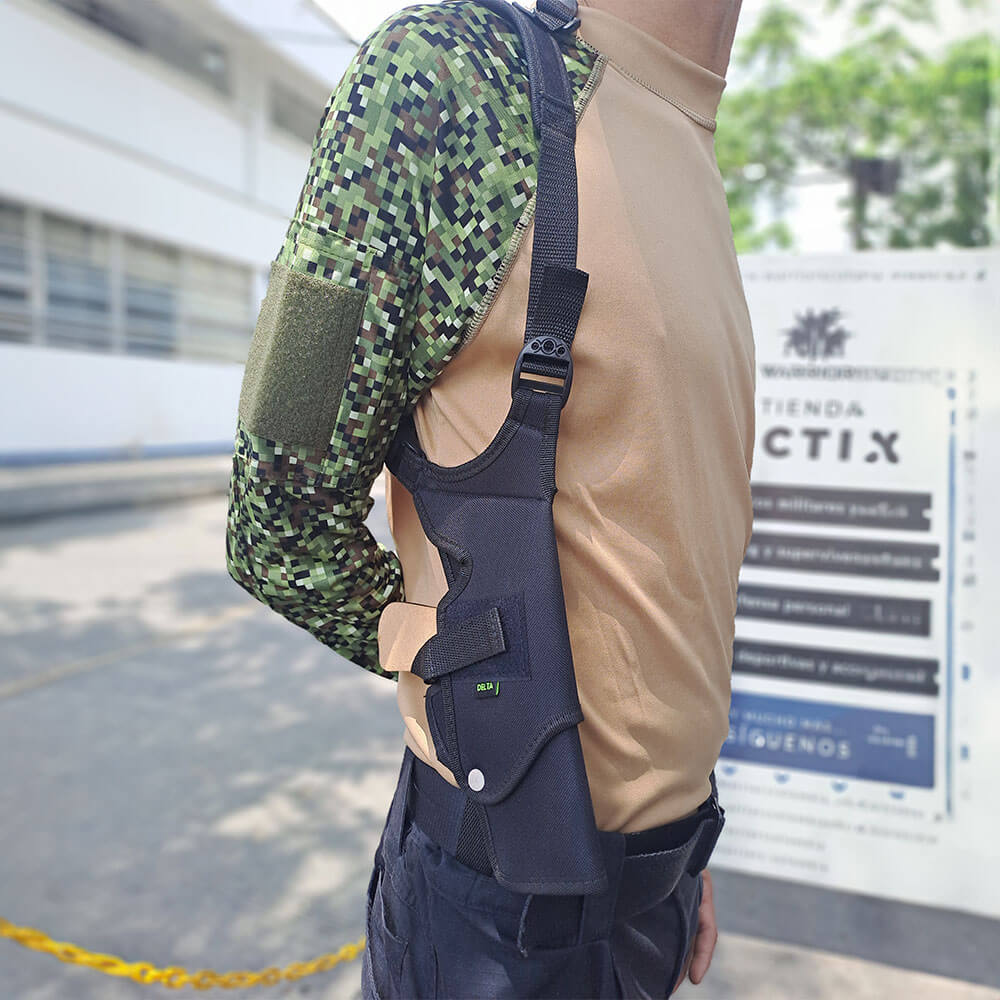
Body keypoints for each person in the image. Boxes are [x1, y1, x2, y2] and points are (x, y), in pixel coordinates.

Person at [226, 0, 752, 995]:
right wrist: (469, 680)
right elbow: (279, 521)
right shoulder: (454, 77)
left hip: (657, 888)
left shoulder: (689, 134)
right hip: (498, 920)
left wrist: (672, 827)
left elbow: (655, 551)